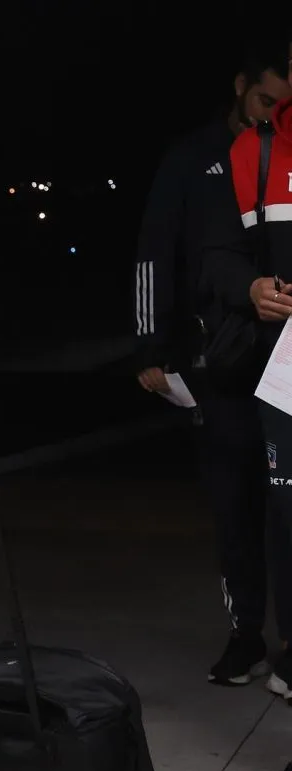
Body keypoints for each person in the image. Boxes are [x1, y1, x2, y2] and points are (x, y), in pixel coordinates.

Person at [132, 42, 292, 687]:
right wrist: (150, 348)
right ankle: (245, 635)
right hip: (222, 358)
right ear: (240, 88)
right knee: (234, 505)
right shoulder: (194, 159)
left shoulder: (278, 154)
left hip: (283, 361)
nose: (272, 115)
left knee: (284, 508)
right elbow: (156, 254)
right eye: (264, 101)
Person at [201, 48, 292, 704]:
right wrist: (251, 285)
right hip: (281, 373)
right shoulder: (252, 153)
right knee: (282, 519)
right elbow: (218, 252)